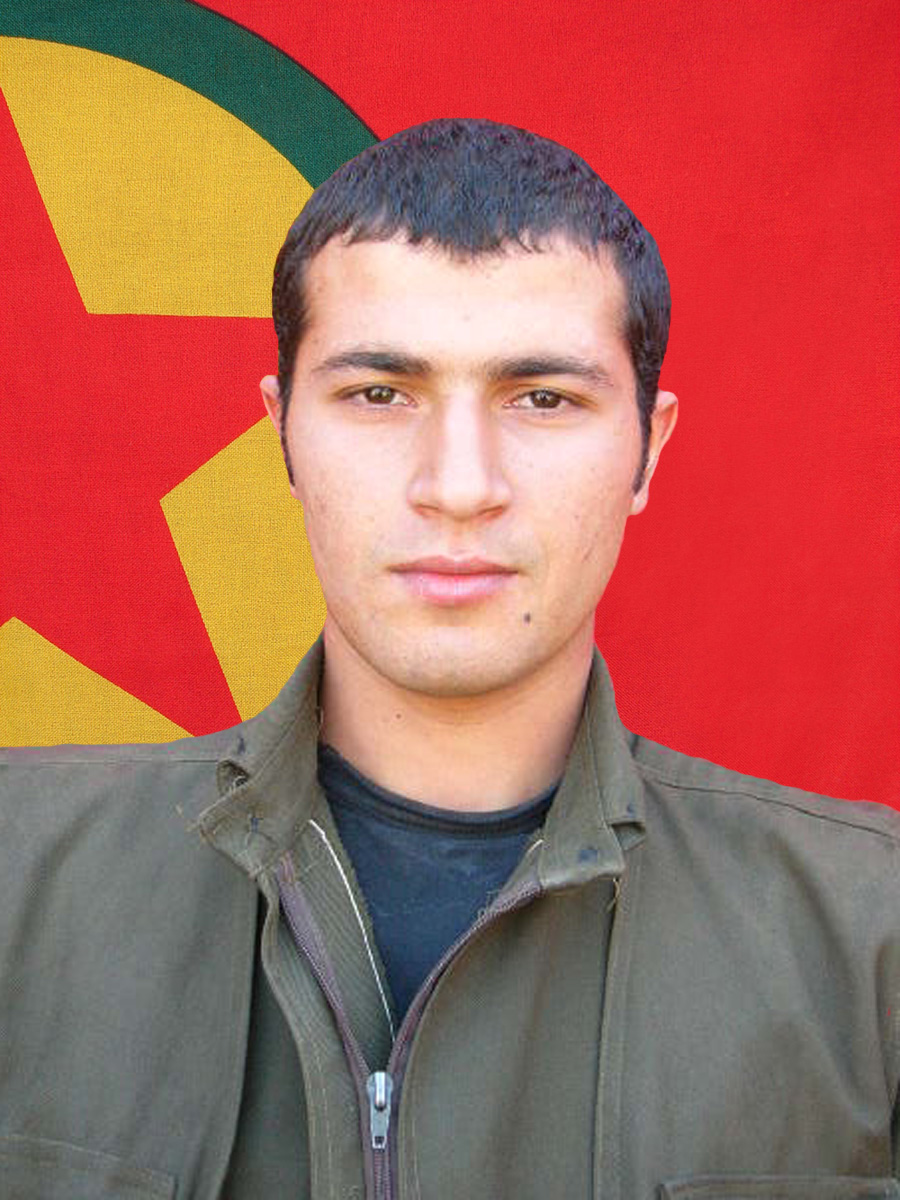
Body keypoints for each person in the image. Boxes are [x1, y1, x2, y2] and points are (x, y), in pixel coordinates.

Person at [1, 118, 897, 1200]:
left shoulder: (872, 939)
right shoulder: (18, 880)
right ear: (282, 434)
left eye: (543, 399)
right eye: (379, 394)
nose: (460, 486)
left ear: (647, 450)